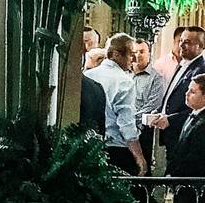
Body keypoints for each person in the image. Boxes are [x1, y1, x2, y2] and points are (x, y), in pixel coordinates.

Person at [84, 33, 147, 176]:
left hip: (88, 146)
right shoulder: (124, 82)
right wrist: (139, 156)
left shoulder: (88, 76)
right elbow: (126, 125)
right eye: (131, 54)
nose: (135, 59)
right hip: (115, 150)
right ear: (117, 54)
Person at [151, 26, 205, 162]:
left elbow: (198, 107)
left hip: (185, 132)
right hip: (169, 134)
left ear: (201, 46)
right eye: (181, 40)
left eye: (187, 42)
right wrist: (160, 111)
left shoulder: (201, 69)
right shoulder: (183, 65)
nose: (181, 45)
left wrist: (170, 119)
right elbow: (172, 95)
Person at [165, 73, 205, 203]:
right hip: (183, 184)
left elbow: (195, 156)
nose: (187, 94)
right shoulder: (192, 116)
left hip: (193, 184)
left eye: (193, 92)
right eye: (188, 90)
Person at [132, 39, 165, 170]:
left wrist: (129, 119)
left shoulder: (156, 78)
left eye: (142, 51)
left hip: (143, 132)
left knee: (142, 170)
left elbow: (153, 105)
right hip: (121, 132)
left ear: (149, 53)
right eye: (134, 52)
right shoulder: (125, 74)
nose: (138, 55)